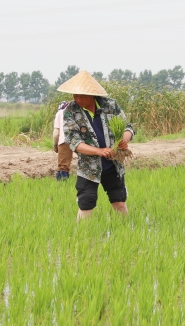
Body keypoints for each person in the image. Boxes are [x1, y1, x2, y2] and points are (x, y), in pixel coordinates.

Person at [58, 70, 134, 219]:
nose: (77, 99)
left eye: (81, 96)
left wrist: (124, 140)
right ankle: (82, 233)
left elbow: (127, 126)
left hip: (113, 164)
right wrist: (99, 151)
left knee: (119, 201)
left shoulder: (110, 105)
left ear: (91, 95)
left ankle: (125, 229)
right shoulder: (70, 111)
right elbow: (74, 142)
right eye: (75, 95)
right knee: (86, 203)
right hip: (88, 168)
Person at [52, 100, 72, 181]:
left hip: (65, 139)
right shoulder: (76, 112)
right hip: (81, 139)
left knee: (63, 166)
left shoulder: (60, 113)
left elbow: (56, 133)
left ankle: (62, 182)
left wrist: (55, 145)